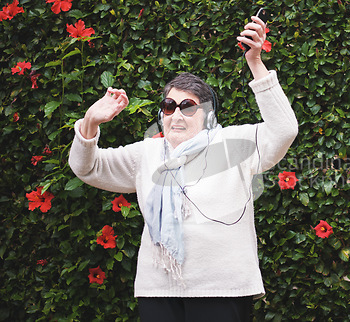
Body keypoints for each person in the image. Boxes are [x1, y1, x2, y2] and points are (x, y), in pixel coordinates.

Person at [69, 14, 298, 322]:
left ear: (206, 114)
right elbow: (87, 167)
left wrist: (255, 63)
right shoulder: (146, 153)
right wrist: (90, 122)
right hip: (158, 290)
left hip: (223, 288)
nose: (175, 114)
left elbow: (284, 130)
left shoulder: (232, 142)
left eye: (187, 106)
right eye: (168, 106)